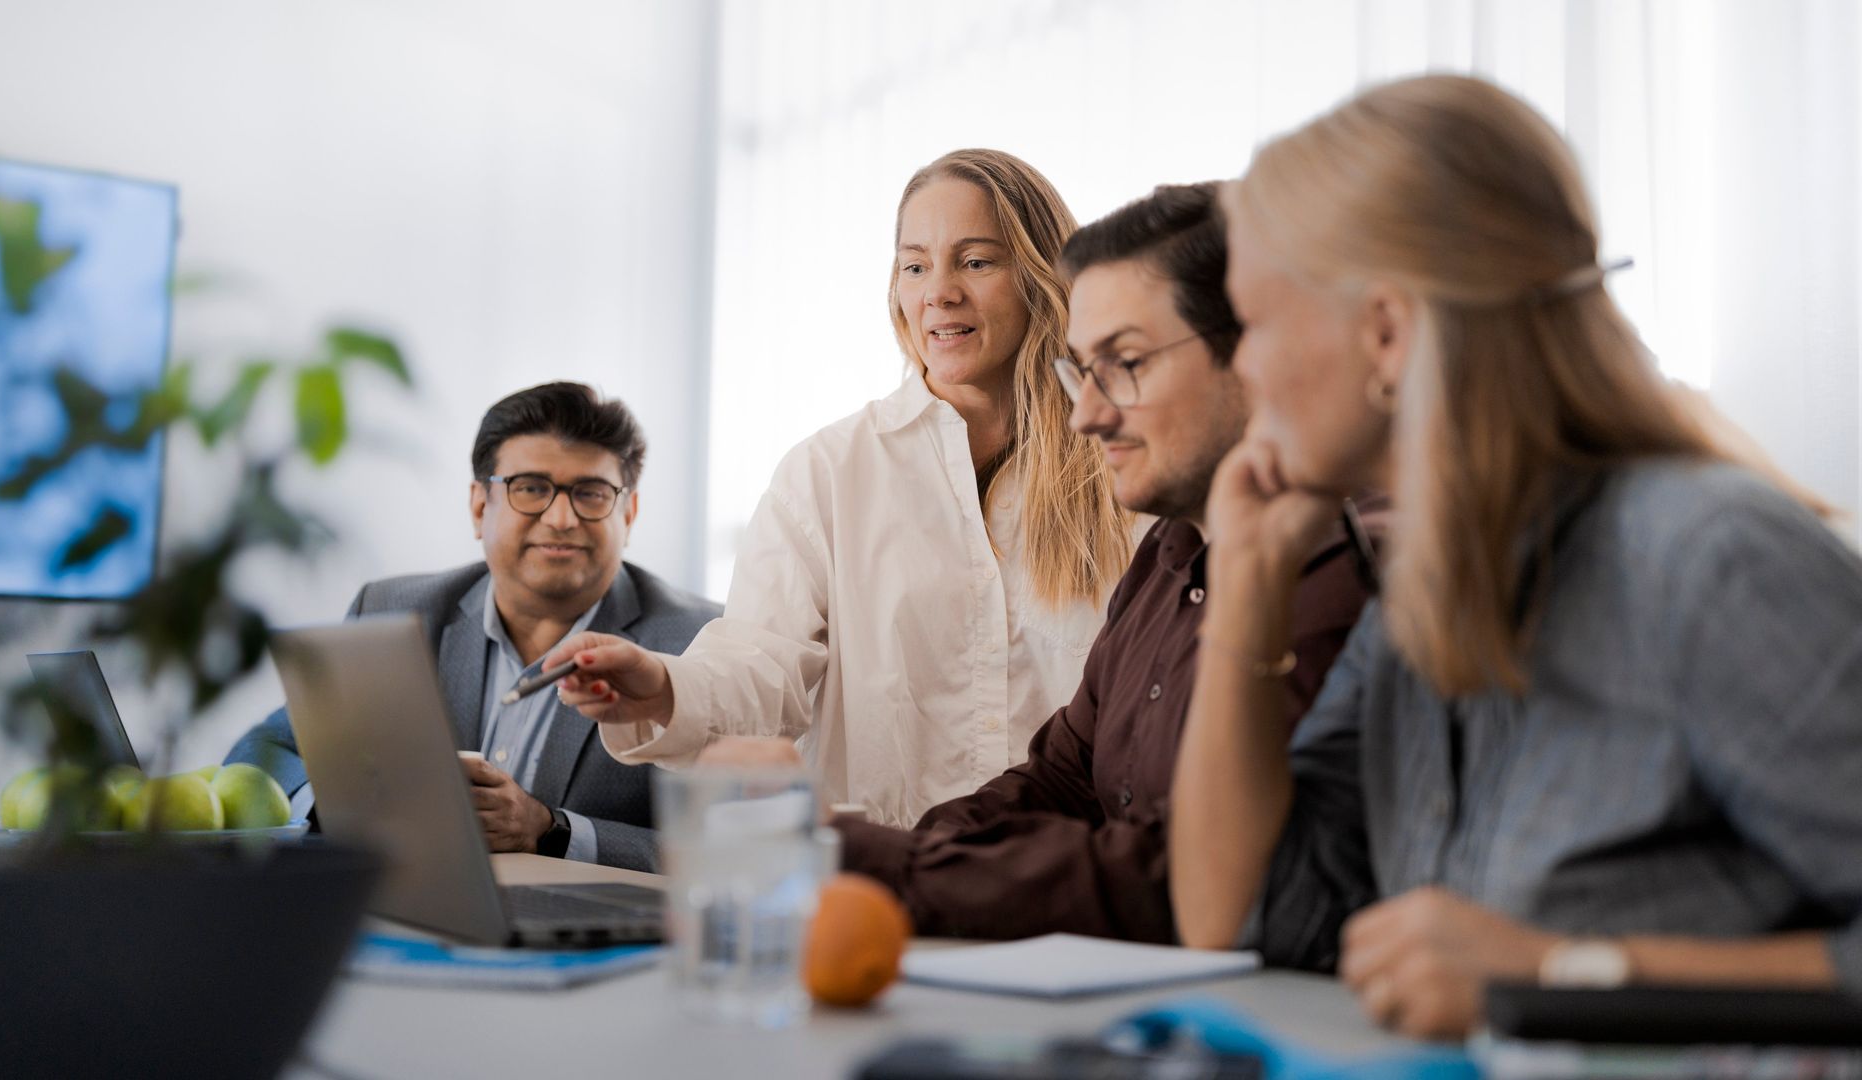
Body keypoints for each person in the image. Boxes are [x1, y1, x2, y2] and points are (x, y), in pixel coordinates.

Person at [1171, 74, 1862, 1039]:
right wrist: (1247, 585)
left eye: (1252, 323)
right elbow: (1239, 916)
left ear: (1386, 332)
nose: (1241, 366)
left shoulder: (1711, 560)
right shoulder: (1423, 591)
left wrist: (1560, 973)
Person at [810, 184, 1372, 940]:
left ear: (1257, 355)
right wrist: (903, 853)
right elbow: (1061, 778)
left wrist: (877, 861)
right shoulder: (1168, 553)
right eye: (1083, 371)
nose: (1087, 414)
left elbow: (1177, 877)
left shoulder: (1343, 574)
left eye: (1125, 363)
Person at [541, 150, 1134, 827]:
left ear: (1041, 275)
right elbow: (760, 666)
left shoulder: (1124, 468)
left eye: (975, 262)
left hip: (1073, 874)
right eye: (915, 266)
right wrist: (661, 687)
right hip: (886, 877)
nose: (938, 292)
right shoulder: (827, 472)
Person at [227, 382, 719, 871]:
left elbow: (733, 842)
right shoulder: (392, 611)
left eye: (591, 493)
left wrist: (551, 830)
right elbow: (263, 752)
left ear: (628, 514)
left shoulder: (704, 644)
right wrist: (352, 809)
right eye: (531, 488)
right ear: (480, 507)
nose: (561, 518)